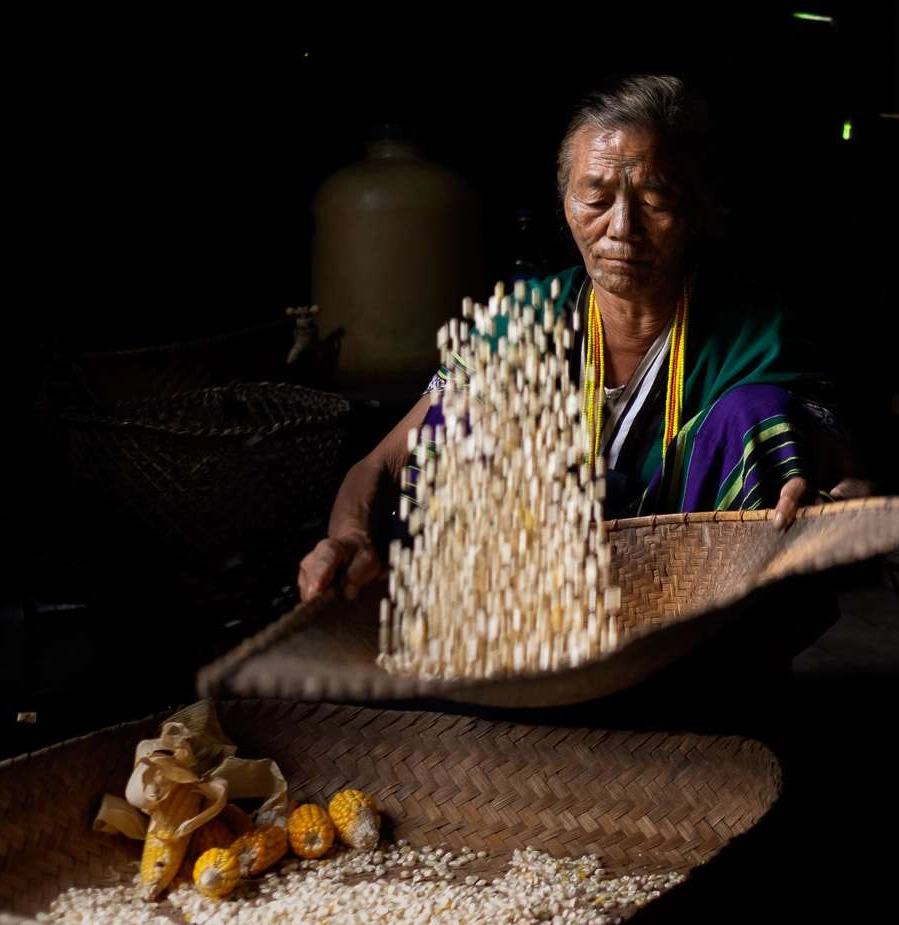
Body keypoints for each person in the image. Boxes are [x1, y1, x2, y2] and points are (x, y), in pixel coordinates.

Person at [298, 75, 867, 603]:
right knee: (463, 419)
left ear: (696, 211)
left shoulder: (756, 332)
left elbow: (850, 481)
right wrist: (349, 540)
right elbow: (376, 467)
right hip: (535, 601)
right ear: (565, 205)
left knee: (758, 414)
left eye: (655, 201)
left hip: (695, 611)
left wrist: (833, 508)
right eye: (595, 199)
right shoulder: (521, 320)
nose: (622, 227)